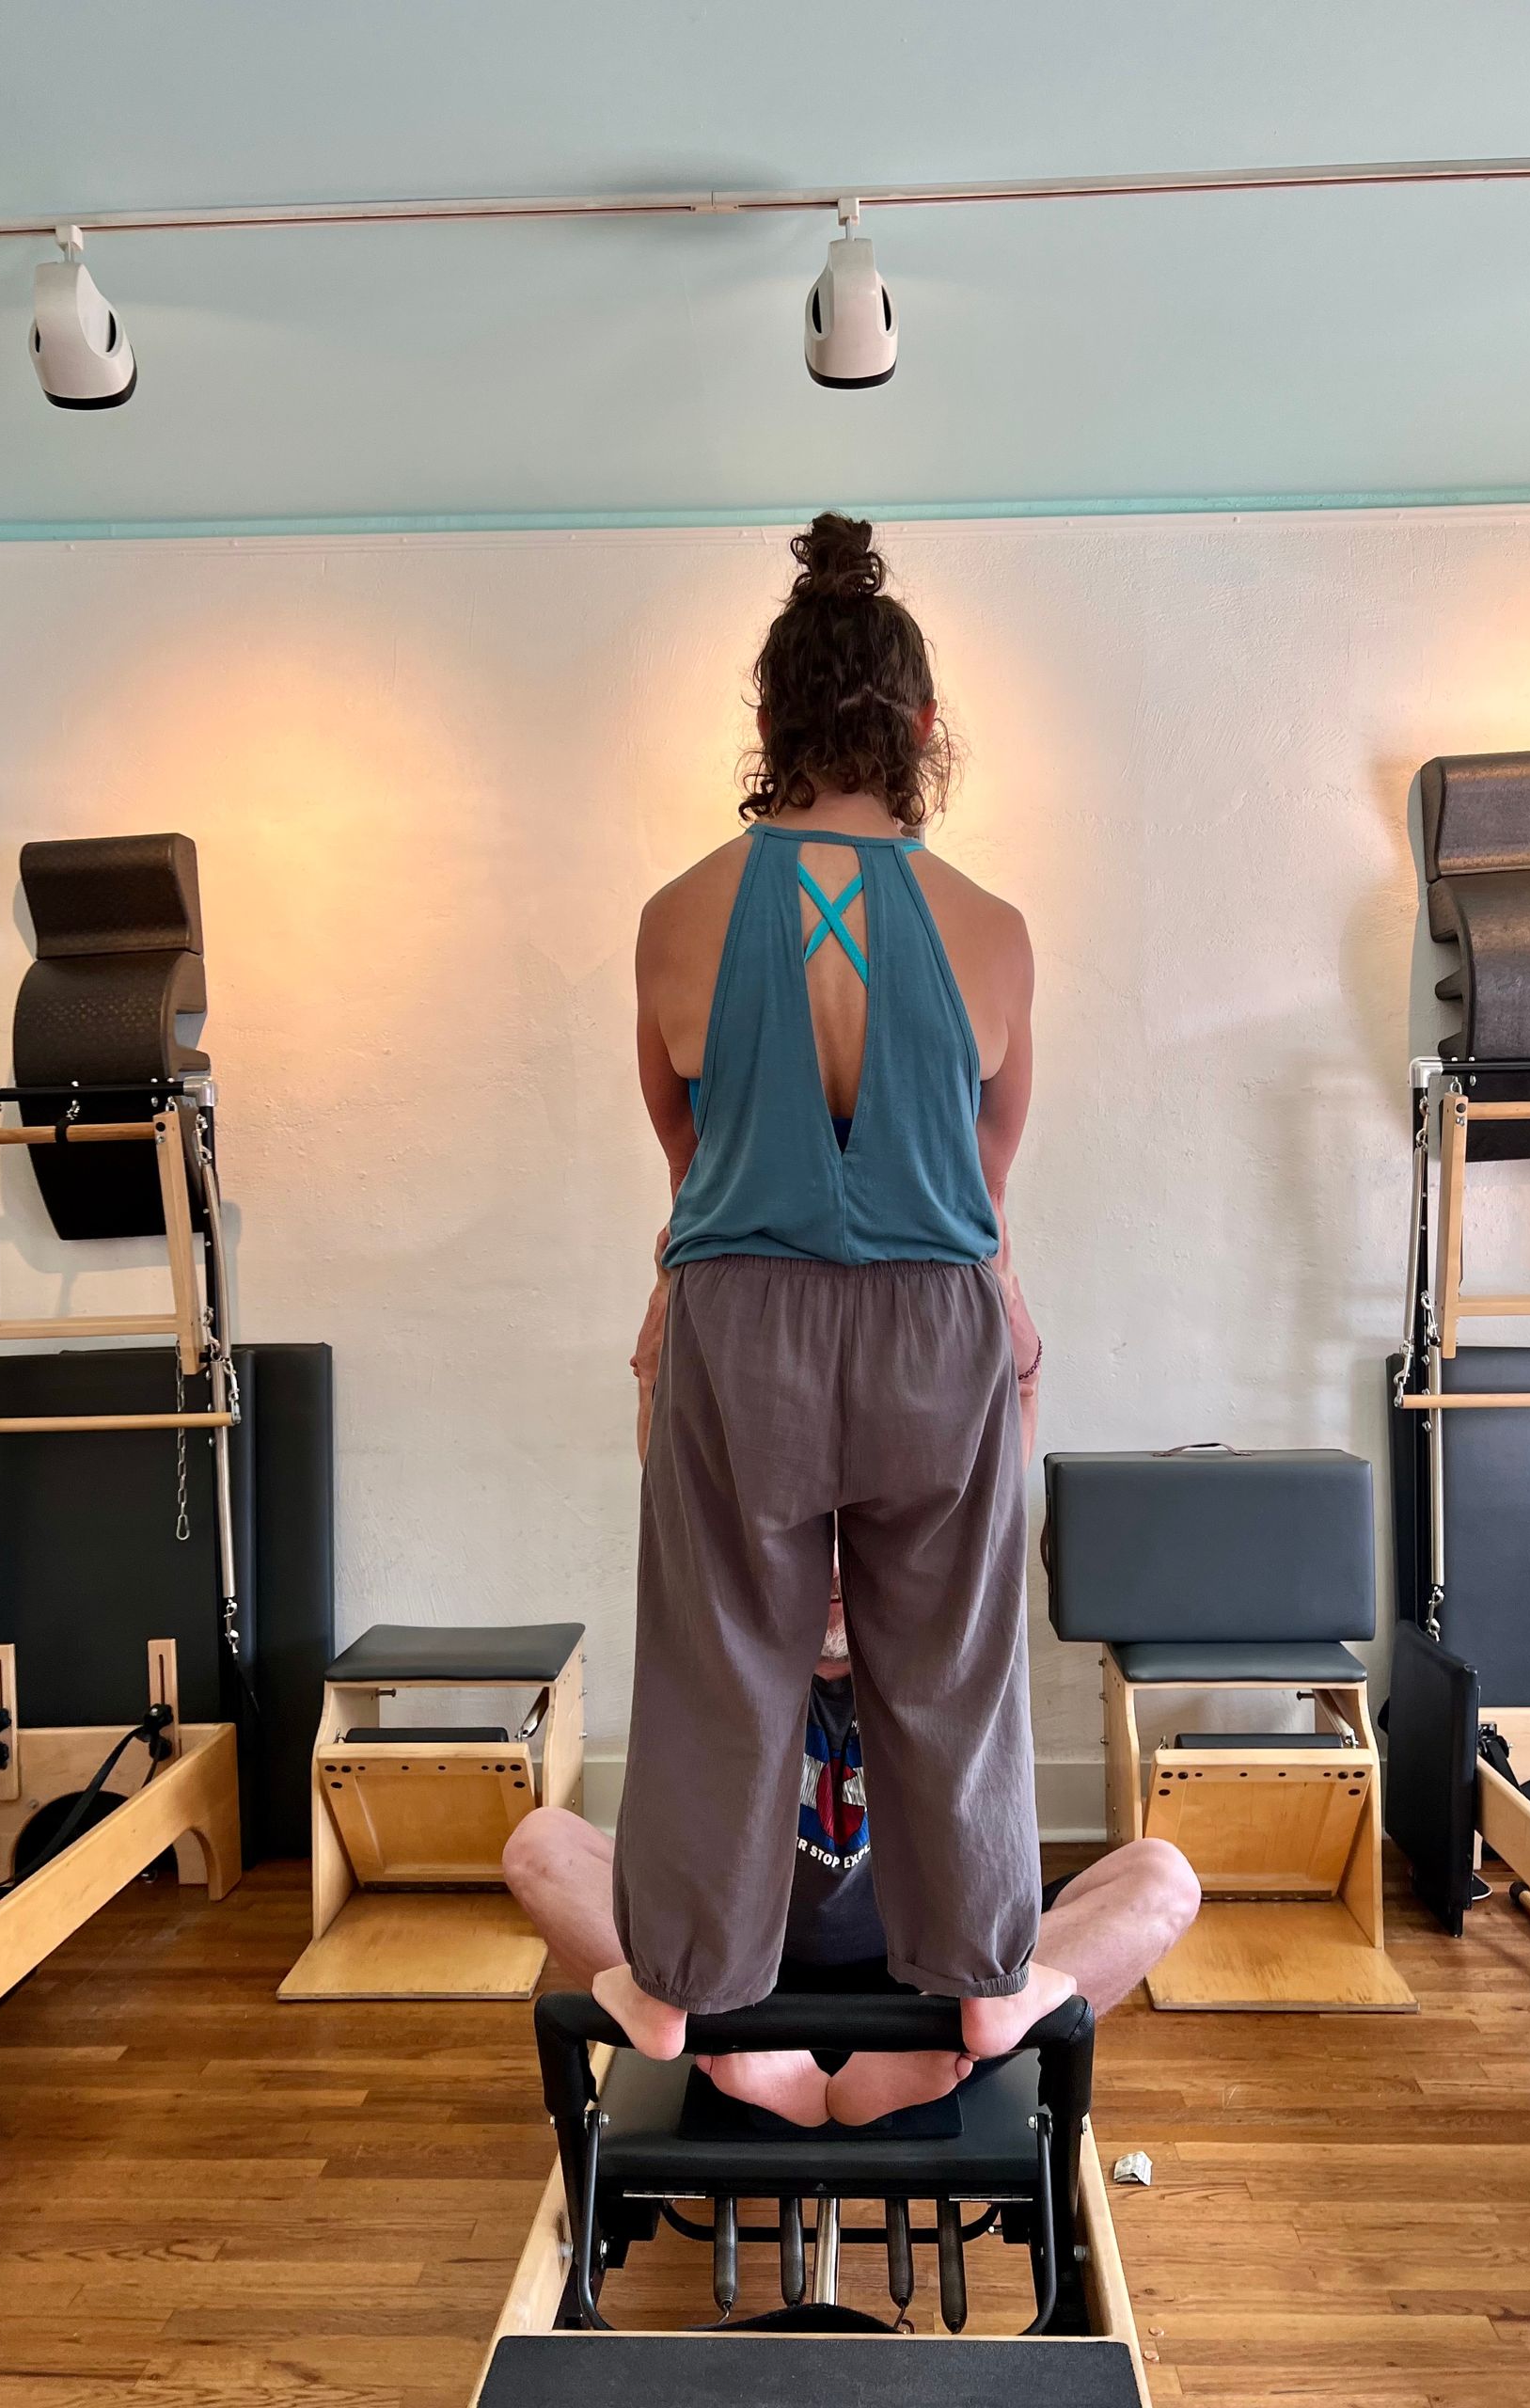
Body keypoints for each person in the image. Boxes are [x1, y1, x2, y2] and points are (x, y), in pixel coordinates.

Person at [599, 512, 1069, 2118]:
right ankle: (983, 1984)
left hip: (744, 1325)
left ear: (771, 726)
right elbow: (988, 1185)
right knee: (952, 1668)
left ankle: (687, 1985)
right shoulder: (994, 930)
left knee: (721, 1662)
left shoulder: (676, 915)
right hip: (935, 1331)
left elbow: (685, 1156)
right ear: (922, 730)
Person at [504, 1608, 1202, 2124]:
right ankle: (721, 2038)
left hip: (938, 1980)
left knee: (1163, 1879)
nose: (834, 1577)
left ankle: (936, 2054)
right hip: (746, 1974)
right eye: (816, 1550)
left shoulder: (942, 1659)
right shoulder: (728, 1664)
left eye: (854, 1549)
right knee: (538, 1844)